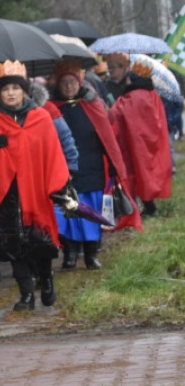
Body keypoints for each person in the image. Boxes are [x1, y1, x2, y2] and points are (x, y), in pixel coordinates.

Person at [0, 61, 72, 312]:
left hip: (35, 191)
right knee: (14, 246)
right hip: (6, 194)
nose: (11, 93)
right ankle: (26, 294)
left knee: (39, 242)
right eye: (6, 89)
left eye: (16, 88)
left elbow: (53, 154)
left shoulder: (40, 117)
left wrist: (61, 186)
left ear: (25, 90)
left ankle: (46, 279)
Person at [50, 60, 140, 269]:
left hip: (92, 167)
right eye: (65, 84)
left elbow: (107, 132)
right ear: (59, 86)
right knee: (69, 212)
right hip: (66, 169)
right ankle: (70, 254)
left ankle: (91, 254)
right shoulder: (52, 109)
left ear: (80, 83)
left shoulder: (91, 105)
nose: (69, 87)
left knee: (91, 212)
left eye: (73, 83)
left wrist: (113, 164)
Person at [107, 58, 173, 218]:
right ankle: (150, 207)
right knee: (147, 174)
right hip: (150, 142)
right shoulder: (153, 95)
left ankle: (138, 208)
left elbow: (115, 115)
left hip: (133, 143)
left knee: (133, 174)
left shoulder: (130, 98)